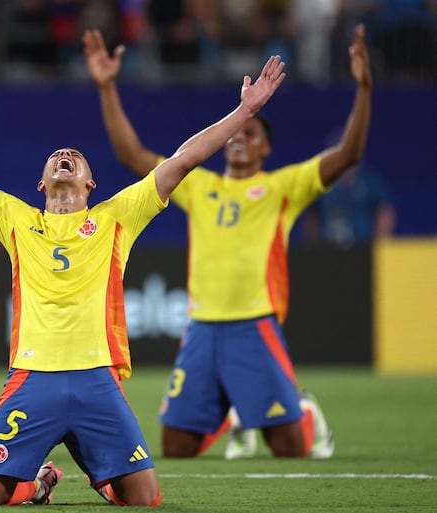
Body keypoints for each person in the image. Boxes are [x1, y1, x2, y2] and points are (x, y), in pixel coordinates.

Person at [0, 44, 285, 504]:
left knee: (145, 499)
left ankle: (101, 473)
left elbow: (182, 160)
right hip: (32, 376)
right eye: (56, 156)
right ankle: (41, 480)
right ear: (42, 183)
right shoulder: (15, 218)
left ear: (90, 184)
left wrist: (244, 111)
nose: (65, 156)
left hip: (96, 380)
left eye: (75, 157)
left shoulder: (118, 215)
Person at [83, 24, 372, 459]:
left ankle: (305, 413)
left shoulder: (284, 187)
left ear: (266, 151)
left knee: (290, 450)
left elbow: (348, 155)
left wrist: (364, 88)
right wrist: (106, 87)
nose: (239, 139)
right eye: (236, 134)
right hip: (200, 328)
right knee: (176, 448)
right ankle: (234, 413)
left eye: (252, 135)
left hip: (254, 325)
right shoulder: (200, 187)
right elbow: (131, 156)